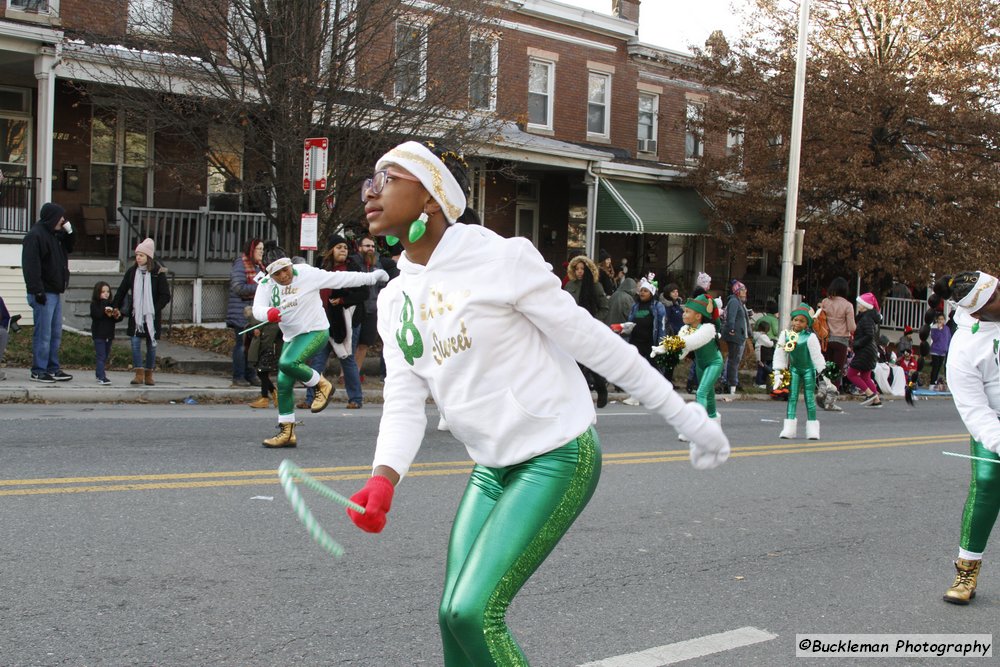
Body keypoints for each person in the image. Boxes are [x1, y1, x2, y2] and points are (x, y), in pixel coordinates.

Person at [346, 140, 729, 666]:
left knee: (473, 613)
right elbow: (405, 398)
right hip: (491, 467)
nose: (370, 191)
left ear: (431, 196)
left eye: (386, 177)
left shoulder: (500, 259)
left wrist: (685, 415)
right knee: (450, 616)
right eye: (369, 180)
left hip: (556, 453)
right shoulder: (395, 299)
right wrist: (384, 476)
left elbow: (594, 342)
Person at [251, 241, 388, 447]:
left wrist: (372, 277)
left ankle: (322, 385)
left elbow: (340, 278)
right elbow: (257, 309)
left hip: (315, 330)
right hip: (292, 336)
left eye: (285, 270)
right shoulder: (266, 284)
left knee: (287, 363)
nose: (283, 276)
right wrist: (268, 313)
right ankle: (287, 433)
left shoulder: (306, 273)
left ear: (290, 265)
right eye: (277, 274)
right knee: (284, 382)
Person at [936, 271, 1000, 604]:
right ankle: (967, 570)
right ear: (977, 312)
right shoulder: (964, 348)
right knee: (988, 484)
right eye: (995, 299)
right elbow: (974, 411)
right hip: (995, 427)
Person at [303, 234, 369, 410]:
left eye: (345, 248)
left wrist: (341, 301)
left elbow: (364, 294)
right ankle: (310, 399)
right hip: (322, 321)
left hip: (347, 322)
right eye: (339, 247)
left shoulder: (353, 269)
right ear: (331, 250)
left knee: (347, 360)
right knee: (317, 360)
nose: (343, 250)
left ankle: (355, 398)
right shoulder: (321, 268)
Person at [21, 202, 75, 383]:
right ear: (52, 217)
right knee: (43, 334)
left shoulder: (54, 235)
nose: (63, 220)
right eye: (60, 216)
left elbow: (69, 248)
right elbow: (31, 266)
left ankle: (52, 368)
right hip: (43, 293)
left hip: (55, 291)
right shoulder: (35, 236)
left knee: (54, 333)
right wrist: (36, 290)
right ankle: (38, 370)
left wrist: (70, 232)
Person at [659, 293, 725, 441]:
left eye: (688, 311)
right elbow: (682, 351)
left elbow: (690, 343)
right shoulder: (686, 329)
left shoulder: (707, 329)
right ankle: (714, 424)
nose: (684, 314)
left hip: (714, 362)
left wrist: (671, 346)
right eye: (684, 311)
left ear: (698, 316)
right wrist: (664, 352)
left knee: (701, 392)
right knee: (709, 395)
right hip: (700, 364)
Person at [112, 238, 171, 387]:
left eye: (141, 255)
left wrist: (154, 309)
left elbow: (165, 295)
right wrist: (114, 306)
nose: (138, 258)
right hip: (136, 315)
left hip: (151, 316)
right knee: (135, 343)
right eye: (137, 255)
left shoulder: (158, 273)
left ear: (148, 257)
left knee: (151, 345)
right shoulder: (132, 272)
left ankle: (149, 373)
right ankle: (138, 373)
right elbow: (122, 290)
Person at [772, 304, 826, 440]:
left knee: (809, 399)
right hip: (794, 370)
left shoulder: (810, 337)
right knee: (792, 397)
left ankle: (813, 429)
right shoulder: (785, 335)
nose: (797, 323)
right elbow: (780, 354)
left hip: (809, 370)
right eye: (795, 320)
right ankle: (789, 429)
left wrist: (825, 375)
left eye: (801, 321)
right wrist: (779, 372)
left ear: (807, 323)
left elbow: (817, 357)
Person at [564, 254, 610, 408]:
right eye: (576, 269)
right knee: (573, 363)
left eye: (582, 269)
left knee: (591, 362)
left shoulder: (595, 286)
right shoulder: (570, 285)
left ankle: (601, 388)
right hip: (572, 328)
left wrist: (592, 322)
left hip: (590, 328)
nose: (579, 272)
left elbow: (604, 308)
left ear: (589, 270)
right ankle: (575, 395)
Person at [354, 234, 398, 380]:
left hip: (372, 309)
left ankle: (356, 372)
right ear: (359, 248)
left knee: (364, 343)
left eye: (372, 246)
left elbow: (382, 285)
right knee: (351, 343)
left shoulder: (378, 264)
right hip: (356, 308)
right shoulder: (353, 262)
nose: (370, 249)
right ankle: (345, 374)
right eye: (367, 246)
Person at [227, 238, 265, 387]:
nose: (261, 252)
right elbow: (238, 287)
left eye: (262, 249)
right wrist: (260, 288)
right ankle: (239, 376)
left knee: (253, 345)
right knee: (241, 345)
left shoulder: (259, 267)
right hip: (241, 311)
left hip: (254, 312)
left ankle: (251, 374)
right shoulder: (240, 264)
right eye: (259, 249)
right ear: (251, 250)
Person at [845, 292, 883, 407]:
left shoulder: (866, 318)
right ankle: (876, 400)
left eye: (861, 304)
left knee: (851, 374)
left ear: (866, 306)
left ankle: (870, 394)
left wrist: (856, 343)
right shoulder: (869, 317)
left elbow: (869, 335)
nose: (859, 306)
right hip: (869, 350)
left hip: (864, 350)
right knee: (866, 376)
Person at [820, 277, 856, 383]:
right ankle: (832, 392)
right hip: (841, 341)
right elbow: (851, 327)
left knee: (828, 367)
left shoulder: (825, 302)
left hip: (826, 340)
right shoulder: (848, 305)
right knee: (837, 370)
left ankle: (824, 388)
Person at [246, 307, 282, 409]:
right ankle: (273, 392)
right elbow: (249, 331)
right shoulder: (260, 322)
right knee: (261, 373)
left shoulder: (276, 325)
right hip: (263, 350)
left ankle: (265, 398)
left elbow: (277, 338)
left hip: (269, 351)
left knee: (262, 372)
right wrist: (253, 332)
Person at [89, 281, 121, 386]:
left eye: (107, 291)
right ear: (97, 293)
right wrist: (104, 306)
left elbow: (117, 319)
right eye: (103, 292)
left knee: (105, 355)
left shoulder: (111, 304)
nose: (106, 294)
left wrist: (117, 314)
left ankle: (99, 373)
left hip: (109, 334)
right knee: (101, 356)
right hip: (99, 334)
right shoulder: (95, 304)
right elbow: (97, 315)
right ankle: (102, 377)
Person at [722, 280, 751, 394]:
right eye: (743, 290)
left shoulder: (740, 302)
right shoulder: (734, 301)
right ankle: (731, 384)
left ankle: (732, 383)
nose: (745, 292)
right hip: (735, 335)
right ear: (737, 291)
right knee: (733, 361)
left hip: (740, 335)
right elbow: (731, 317)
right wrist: (732, 329)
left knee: (735, 360)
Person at [929, 313, 953, 390]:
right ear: (937, 320)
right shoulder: (934, 327)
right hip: (935, 350)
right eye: (939, 319)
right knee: (935, 367)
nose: (940, 321)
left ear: (944, 320)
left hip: (943, 351)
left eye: (942, 319)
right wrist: (939, 330)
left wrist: (948, 348)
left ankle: (936, 382)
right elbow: (934, 338)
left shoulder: (947, 328)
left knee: (939, 367)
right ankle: (932, 383)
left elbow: (948, 339)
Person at [753, 319, 774, 387]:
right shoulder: (763, 336)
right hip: (762, 355)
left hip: (759, 354)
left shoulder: (756, 335)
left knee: (760, 368)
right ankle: (759, 382)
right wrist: (773, 341)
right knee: (762, 369)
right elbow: (769, 344)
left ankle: (758, 382)